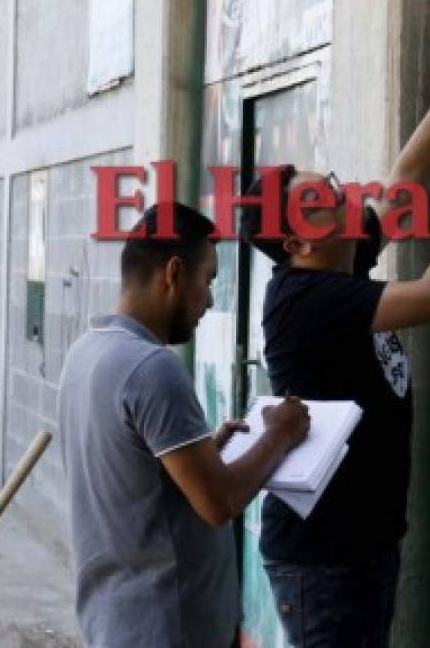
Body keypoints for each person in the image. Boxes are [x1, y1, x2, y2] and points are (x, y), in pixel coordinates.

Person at [239, 10, 430, 647]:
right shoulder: (307, 298)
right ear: (297, 240)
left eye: (328, 184)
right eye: (320, 200)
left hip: (358, 543)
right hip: (323, 556)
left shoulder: (340, 259)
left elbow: (404, 183)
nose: (340, 194)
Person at [58, 202, 311, 648]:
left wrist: (204, 450)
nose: (211, 300)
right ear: (174, 273)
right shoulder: (152, 367)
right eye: (208, 280)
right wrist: (280, 434)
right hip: (165, 627)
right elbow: (219, 501)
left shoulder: (87, 351)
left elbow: (132, 471)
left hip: (117, 621)